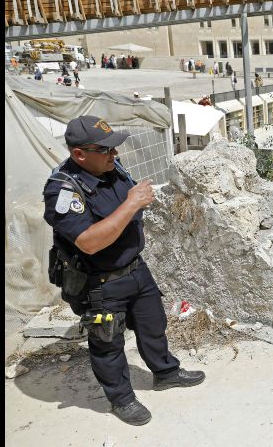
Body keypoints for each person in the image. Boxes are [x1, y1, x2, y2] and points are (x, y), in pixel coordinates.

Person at [42, 116, 206, 425]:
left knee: (153, 323)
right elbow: (89, 242)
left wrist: (137, 201)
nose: (114, 155)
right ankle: (122, 399)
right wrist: (131, 204)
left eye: (114, 148)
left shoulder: (109, 167)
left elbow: (128, 203)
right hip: (100, 284)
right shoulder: (64, 191)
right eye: (105, 150)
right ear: (80, 154)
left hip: (135, 268)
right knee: (108, 343)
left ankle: (166, 372)